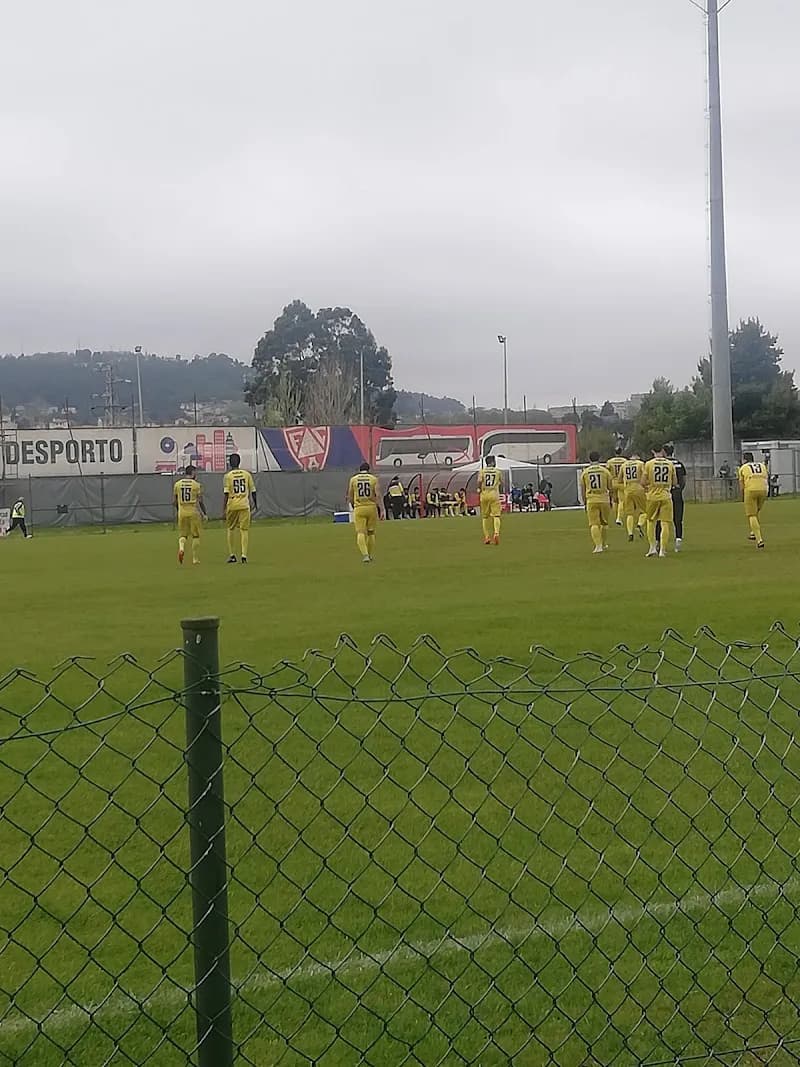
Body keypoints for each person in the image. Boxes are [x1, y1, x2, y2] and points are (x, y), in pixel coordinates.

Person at [223, 453, 257, 563]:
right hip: (244, 504)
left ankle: (232, 555)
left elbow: (226, 493)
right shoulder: (246, 474)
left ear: (229, 463)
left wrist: (223, 508)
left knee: (231, 528)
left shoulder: (228, 476)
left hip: (232, 504)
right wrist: (255, 504)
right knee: (244, 530)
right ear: (239, 462)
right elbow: (253, 491)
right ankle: (244, 555)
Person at [643, 446, 676, 558]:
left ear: (653, 451)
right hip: (666, 496)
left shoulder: (648, 464)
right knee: (665, 523)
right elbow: (675, 481)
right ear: (662, 451)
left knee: (651, 522)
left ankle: (652, 547)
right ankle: (662, 550)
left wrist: (649, 485)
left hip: (652, 496)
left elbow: (643, 482)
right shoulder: (669, 464)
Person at [173, 464, 207, 565]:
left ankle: (181, 549)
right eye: (195, 473)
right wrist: (204, 513)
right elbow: (200, 501)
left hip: (182, 512)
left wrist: (179, 510)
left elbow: (174, 501)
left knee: (183, 535)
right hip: (193, 512)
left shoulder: (177, 484)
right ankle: (195, 559)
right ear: (192, 473)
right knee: (195, 536)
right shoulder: (196, 485)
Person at [580, 452, 612, 554]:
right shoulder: (605, 471)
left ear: (589, 459)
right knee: (604, 523)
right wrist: (611, 500)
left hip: (591, 499)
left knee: (594, 524)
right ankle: (604, 543)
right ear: (599, 458)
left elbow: (583, 489)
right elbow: (610, 487)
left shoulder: (585, 472)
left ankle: (598, 546)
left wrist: (585, 502)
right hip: (604, 499)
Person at [347, 461, 379, 563]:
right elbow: (377, 494)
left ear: (359, 470)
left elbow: (350, 495)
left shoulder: (353, 479)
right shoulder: (373, 479)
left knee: (360, 532)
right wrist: (381, 509)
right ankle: (369, 554)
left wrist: (353, 505)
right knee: (371, 532)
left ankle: (365, 555)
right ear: (368, 470)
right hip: (371, 507)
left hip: (359, 507)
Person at [738, 452, 768, 548]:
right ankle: (753, 532)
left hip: (750, 490)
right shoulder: (762, 465)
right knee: (756, 511)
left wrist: (742, 495)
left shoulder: (743, 468)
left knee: (752, 515)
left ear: (745, 460)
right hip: (763, 490)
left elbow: (741, 485)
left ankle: (759, 540)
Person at [664, 444, 687, 551]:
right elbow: (683, 479)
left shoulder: (664, 464)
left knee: (662, 519)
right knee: (678, 518)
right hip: (677, 493)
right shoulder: (679, 464)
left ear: (664, 452)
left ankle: (659, 542)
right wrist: (679, 488)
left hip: (665, 493)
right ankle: (678, 540)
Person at [478, 455, 503, 545]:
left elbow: (479, 481)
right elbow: (501, 482)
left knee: (485, 517)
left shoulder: (482, 471)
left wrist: (479, 489)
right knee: (496, 516)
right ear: (492, 462)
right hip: (494, 494)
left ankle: (487, 537)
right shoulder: (497, 471)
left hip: (484, 494)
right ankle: (496, 533)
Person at [622, 454, 647, 542]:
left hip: (628, 490)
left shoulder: (624, 464)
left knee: (629, 513)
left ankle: (630, 533)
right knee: (645, 511)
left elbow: (620, 478)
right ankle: (640, 524)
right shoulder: (640, 464)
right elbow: (645, 474)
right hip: (638, 488)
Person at [607, 449, 626, 526]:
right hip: (621, 482)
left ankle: (616, 517)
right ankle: (619, 517)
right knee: (621, 501)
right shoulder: (625, 461)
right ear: (621, 452)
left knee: (615, 501)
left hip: (613, 482)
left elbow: (607, 471)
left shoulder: (610, 461)